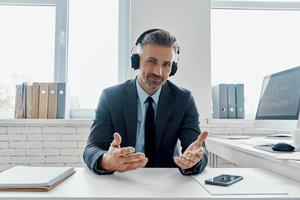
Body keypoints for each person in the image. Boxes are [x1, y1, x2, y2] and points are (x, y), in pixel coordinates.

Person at [83, 28, 208, 175]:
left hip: (166, 182)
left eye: (166, 64)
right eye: (151, 61)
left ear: (173, 68)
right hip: (123, 180)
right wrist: (106, 161)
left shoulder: (183, 99)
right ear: (136, 61)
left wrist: (194, 161)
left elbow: (197, 149)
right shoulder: (111, 97)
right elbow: (92, 148)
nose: (158, 72)